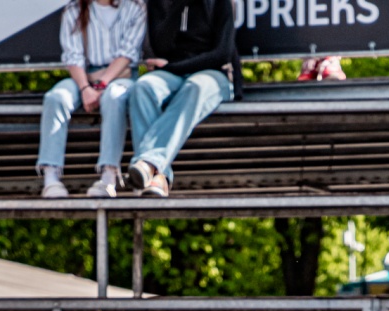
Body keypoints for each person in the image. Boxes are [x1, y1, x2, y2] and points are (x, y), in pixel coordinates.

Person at [127, 0, 241, 198]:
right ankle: (159, 177)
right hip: (173, 73)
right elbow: (160, 46)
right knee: (143, 88)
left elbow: (221, 54)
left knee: (194, 87)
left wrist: (175, 67)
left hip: (212, 74)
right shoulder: (160, 3)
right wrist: (178, 6)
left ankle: (149, 163)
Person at [38, 0, 146, 200]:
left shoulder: (135, 7)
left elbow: (128, 54)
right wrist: (85, 87)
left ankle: (108, 175)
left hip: (120, 77)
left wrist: (102, 83)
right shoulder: (73, 10)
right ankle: (51, 177)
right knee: (56, 98)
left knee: (114, 97)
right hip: (84, 78)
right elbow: (73, 56)